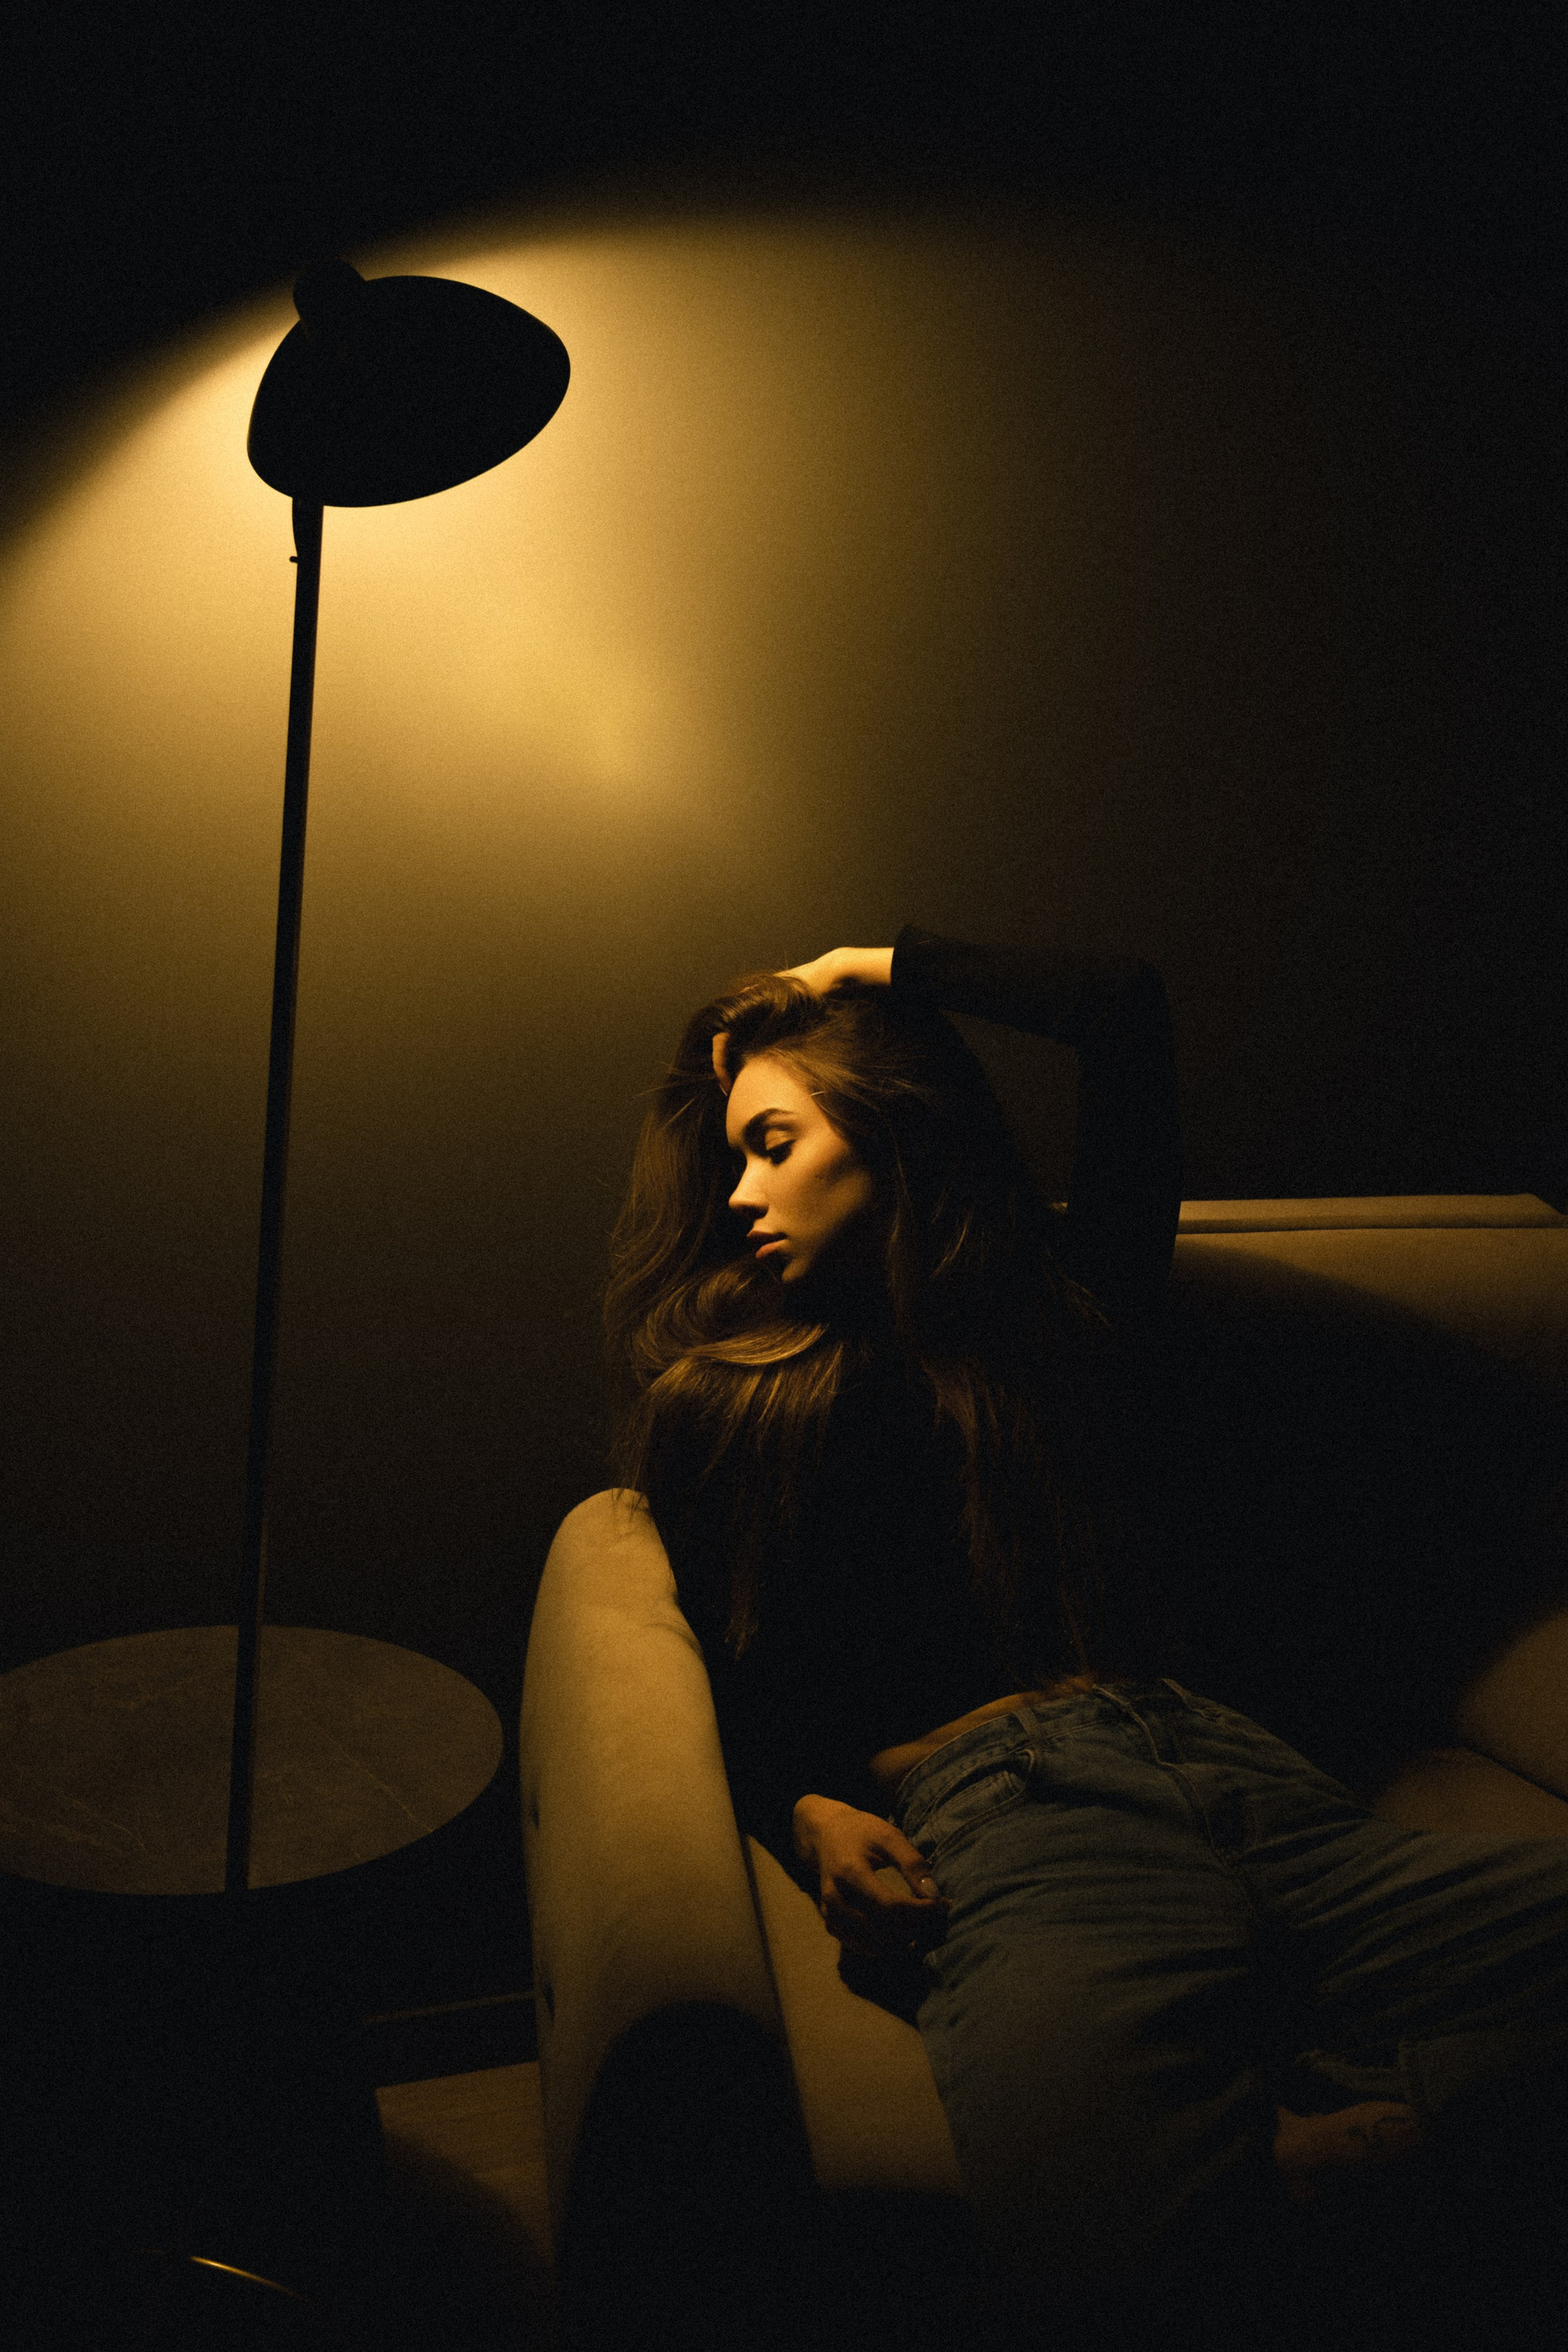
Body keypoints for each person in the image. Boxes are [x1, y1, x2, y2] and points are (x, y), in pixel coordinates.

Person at [604, 926, 1568, 2337]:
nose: (740, 1192)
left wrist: (872, 964)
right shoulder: (730, 1400)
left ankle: (1372, 2114)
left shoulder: (1060, 1305)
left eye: (772, 1141)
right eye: (734, 1158)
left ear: (894, 1128)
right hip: (1017, 1818)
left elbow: (1121, 1012)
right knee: (1103, 2232)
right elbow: (734, 1680)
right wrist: (807, 1813)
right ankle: (1320, 2137)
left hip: (1253, 1781)